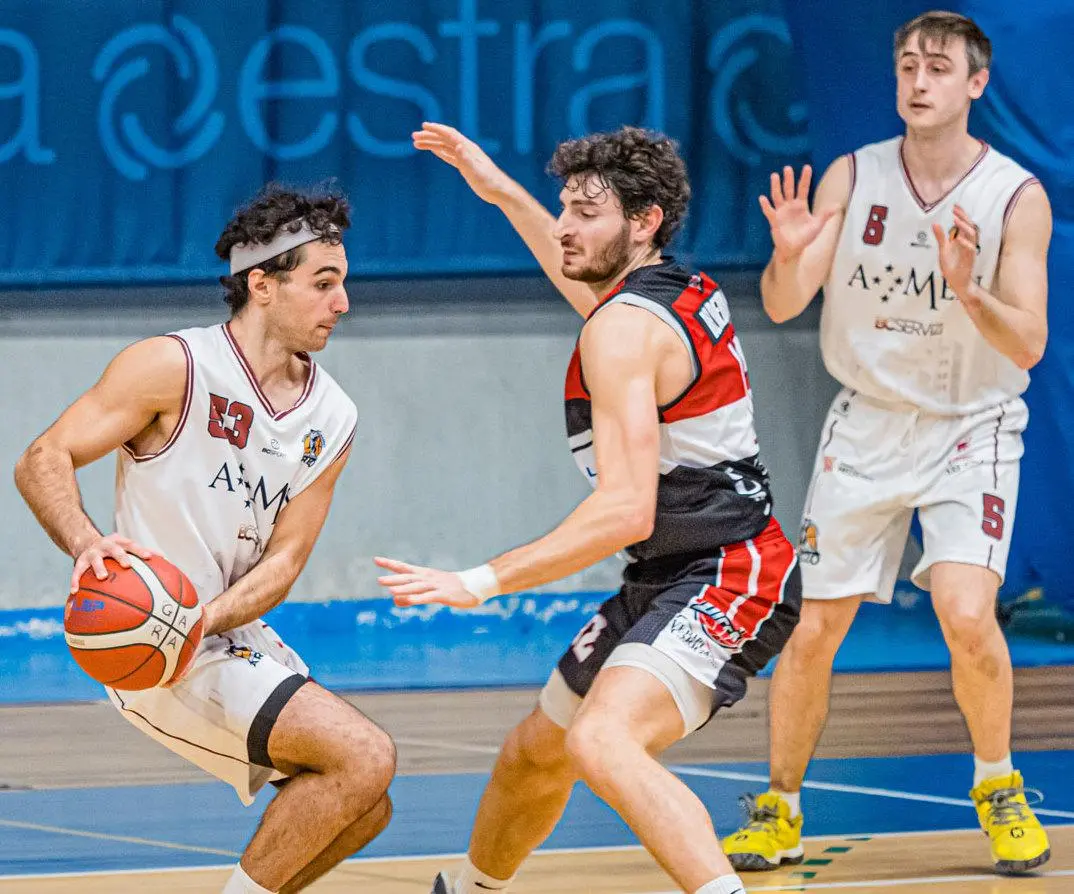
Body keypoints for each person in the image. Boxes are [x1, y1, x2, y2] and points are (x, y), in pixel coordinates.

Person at [376, 123, 802, 894]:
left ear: (643, 222)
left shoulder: (623, 330)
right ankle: (472, 887)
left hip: (731, 572)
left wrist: (481, 579)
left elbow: (624, 513)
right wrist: (501, 188)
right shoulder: (661, 288)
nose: (566, 227)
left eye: (585, 212)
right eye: (563, 207)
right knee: (535, 749)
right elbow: (580, 277)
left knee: (603, 741)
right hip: (673, 570)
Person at [720, 10, 1053, 876]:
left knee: (967, 614)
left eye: (938, 67)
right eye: (907, 64)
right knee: (814, 627)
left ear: (976, 84)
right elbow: (787, 302)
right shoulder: (851, 176)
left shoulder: (1015, 195)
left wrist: (967, 292)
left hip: (970, 427)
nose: (918, 80)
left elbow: (1029, 343)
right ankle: (780, 807)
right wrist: (790, 256)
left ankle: (999, 785)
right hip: (868, 422)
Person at [14, 186, 396, 894]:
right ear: (263, 283)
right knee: (363, 757)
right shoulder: (173, 367)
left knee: (365, 807)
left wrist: (207, 620)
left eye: (343, 283)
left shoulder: (334, 415)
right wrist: (85, 542)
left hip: (218, 631)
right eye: (323, 283)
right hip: (153, 645)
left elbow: (286, 560)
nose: (342, 303)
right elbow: (44, 457)